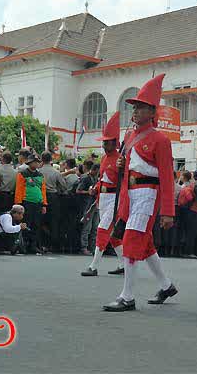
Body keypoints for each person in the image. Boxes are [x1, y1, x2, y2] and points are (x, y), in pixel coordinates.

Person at [103, 73, 177, 312]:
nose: (135, 111)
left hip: (148, 193)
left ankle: (127, 296)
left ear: (153, 112)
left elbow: (167, 177)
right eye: (134, 107)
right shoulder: (129, 136)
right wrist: (121, 167)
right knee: (146, 246)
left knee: (132, 239)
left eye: (141, 107)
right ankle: (166, 285)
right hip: (131, 193)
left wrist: (168, 211)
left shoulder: (161, 140)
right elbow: (127, 166)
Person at [82, 111, 125, 276]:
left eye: (107, 143)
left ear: (115, 143)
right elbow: (102, 179)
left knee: (101, 229)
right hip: (104, 198)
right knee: (113, 236)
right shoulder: (105, 158)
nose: (104, 145)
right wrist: (96, 188)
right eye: (104, 142)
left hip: (115, 199)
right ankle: (122, 264)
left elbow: (123, 182)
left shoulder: (120, 159)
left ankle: (93, 266)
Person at [14, 153, 47, 254]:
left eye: (38, 162)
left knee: (36, 225)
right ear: (30, 163)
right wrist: (18, 204)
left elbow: (43, 190)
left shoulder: (40, 175)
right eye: (35, 162)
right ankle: (24, 245)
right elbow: (19, 189)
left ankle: (33, 246)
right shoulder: (22, 174)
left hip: (38, 204)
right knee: (26, 224)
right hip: (26, 203)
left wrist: (44, 204)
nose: (37, 164)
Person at [39, 151, 67, 253]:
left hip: (40, 196)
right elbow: (64, 186)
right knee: (54, 222)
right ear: (51, 159)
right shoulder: (56, 172)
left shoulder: (38, 171)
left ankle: (42, 244)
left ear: (42, 159)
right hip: (53, 197)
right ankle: (54, 245)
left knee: (41, 221)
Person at [77, 160, 99, 255]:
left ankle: (93, 247)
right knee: (87, 227)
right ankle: (84, 247)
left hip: (95, 204)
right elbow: (78, 190)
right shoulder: (85, 178)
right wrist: (88, 192)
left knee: (95, 228)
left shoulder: (96, 178)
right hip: (88, 205)